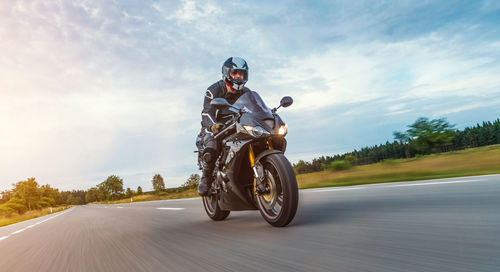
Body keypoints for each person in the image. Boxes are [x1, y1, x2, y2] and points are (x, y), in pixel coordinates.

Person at [196, 57, 251, 196]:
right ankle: (206, 178)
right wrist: (214, 125)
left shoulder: (247, 92)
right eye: (235, 73)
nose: (239, 76)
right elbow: (206, 112)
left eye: (242, 74)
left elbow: (256, 108)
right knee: (212, 144)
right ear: (227, 73)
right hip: (214, 127)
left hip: (237, 125)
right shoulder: (214, 90)